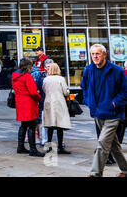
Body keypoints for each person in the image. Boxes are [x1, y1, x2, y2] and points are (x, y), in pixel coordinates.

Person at [81, 44, 127, 177]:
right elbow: (84, 87)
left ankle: (95, 173)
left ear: (104, 54)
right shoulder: (88, 70)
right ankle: (125, 169)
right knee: (113, 144)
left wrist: (114, 104)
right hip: (97, 112)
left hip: (113, 113)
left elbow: (125, 91)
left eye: (98, 54)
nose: (95, 56)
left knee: (102, 143)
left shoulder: (116, 70)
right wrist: (88, 101)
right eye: (93, 54)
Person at [12, 57, 45, 157]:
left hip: (20, 102)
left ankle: (20, 147)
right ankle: (33, 149)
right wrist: (39, 97)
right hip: (29, 103)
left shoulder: (15, 76)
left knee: (23, 125)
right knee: (32, 125)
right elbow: (33, 91)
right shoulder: (27, 76)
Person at [42, 63, 72, 154]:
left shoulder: (46, 79)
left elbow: (44, 90)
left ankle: (49, 146)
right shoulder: (61, 79)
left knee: (50, 125)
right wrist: (68, 91)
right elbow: (66, 92)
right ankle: (60, 147)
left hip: (48, 102)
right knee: (60, 126)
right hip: (59, 103)